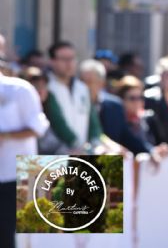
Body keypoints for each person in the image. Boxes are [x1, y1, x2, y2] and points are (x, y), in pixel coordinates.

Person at [0, 71, 49, 248]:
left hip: (17, 173)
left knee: (9, 233)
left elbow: (38, 126)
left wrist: (5, 135)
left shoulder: (19, 89)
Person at [47, 41, 102, 150]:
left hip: (81, 153)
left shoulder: (82, 88)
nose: (69, 63)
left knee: (114, 163)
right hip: (52, 155)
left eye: (72, 58)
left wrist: (95, 143)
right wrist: (75, 143)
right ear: (52, 61)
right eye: (64, 59)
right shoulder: (46, 87)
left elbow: (92, 121)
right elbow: (57, 122)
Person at [101, 75, 168, 156]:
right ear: (121, 99)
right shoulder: (112, 120)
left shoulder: (148, 120)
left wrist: (154, 151)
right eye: (132, 98)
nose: (137, 102)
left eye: (140, 97)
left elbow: (138, 144)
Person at [20, 67, 76, 154]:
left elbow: (60, 126)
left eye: (44, 86)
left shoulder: (49, 103)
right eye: (36, 86)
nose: (41, 90)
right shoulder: (19, 111)